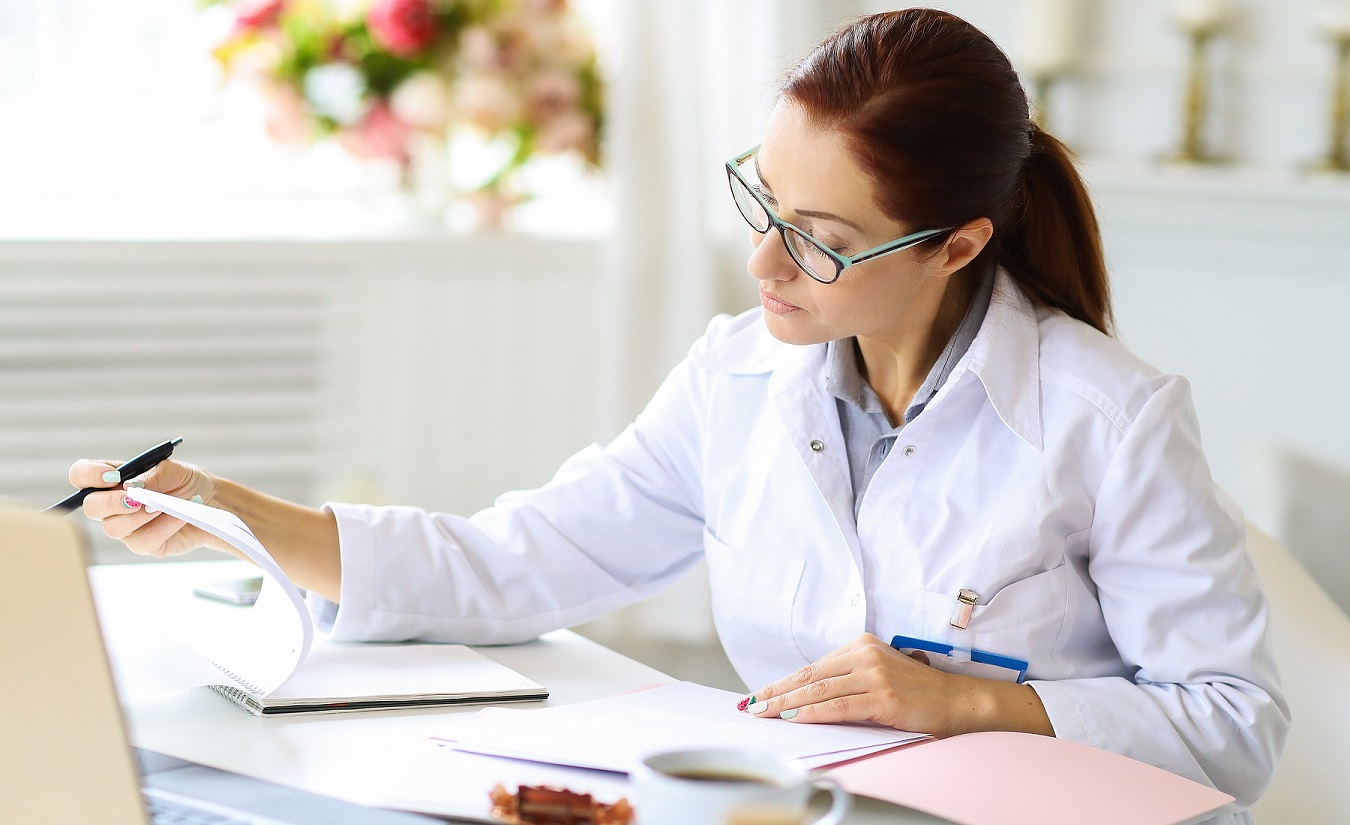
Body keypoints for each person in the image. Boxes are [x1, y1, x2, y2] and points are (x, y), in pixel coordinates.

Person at [71, 8, 1287, 823]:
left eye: (821, 241)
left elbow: (1234, 730)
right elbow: (516, 563)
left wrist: (981, 699)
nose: (764, 264)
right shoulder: (740, 375)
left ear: (958, 244)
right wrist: (236, 511)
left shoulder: (1107, 418)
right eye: (765, 199)